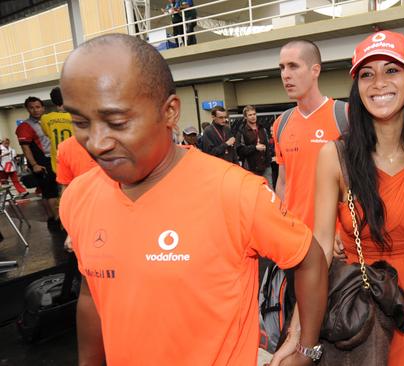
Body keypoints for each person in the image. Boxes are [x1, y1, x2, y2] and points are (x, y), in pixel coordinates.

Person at [59, 33, 327, 366]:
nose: (96, 143)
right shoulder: (78, 197)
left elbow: (310, 259)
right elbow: (92, 293)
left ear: (170, 112)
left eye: (117, 122)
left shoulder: (236, 192)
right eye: (81, 122)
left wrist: (306, 349)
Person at [276, 30, 404, 366]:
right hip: (356, 299)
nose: (379, 83)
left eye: (392, 70)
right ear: (356, 87)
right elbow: (321, 249)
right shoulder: (335, 156)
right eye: (367, 74)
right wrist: (297, 334)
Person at [273, 39, 348, 229]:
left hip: (338, 240)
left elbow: (365, 181)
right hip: (296, 237)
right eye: (282, 68)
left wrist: (344, 232)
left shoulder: (345, 115)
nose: (285, 75)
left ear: (315, 70)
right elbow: (283, 182)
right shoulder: (280, 123)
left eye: (293, 66)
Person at [16, 96, 61, 231]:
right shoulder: (25, 126)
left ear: (43, 107)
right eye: (32, 107)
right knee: (50, 191)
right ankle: (57, 220)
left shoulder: (50, 121)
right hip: (42, 161)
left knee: (55, 190)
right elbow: (25, 148)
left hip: (56, 159)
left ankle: (56, 217)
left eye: (38, 107)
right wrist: (34, 164)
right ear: (27, 109)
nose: (35, 110)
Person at [41, 86, 74, 172]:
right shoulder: (76, 116)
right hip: (75, 157)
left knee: (64, 184)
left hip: (58, 160)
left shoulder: (45, 118)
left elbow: (46, 134)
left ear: (53, 101)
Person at [237, 105, 272, 184]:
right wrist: (255, 148)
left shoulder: (262, 128)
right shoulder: (242, 131)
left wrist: (269, 160)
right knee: (254, 192)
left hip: (266, 166)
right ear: (245, 117)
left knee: (269, 190)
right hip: (251, 167)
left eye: (254, 114)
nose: (253, 116)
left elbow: (268, 144)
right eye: (250, 115)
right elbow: (240, 150)